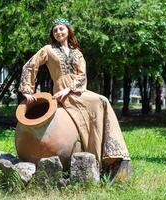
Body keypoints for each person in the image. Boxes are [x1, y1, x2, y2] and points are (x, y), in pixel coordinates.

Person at [18, 18, 131, 182]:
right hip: (60, 93)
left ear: (68, 31)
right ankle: (104, 155)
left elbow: (82, 75)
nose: (58, 32)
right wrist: (28, 90)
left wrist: (68, 89)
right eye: (55, 30)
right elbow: (30, 65)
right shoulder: (48, 50)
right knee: (102, 101)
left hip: (75, 91)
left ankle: (113, 154)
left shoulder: (77, 53)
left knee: (102, 101)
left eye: (61, 29)